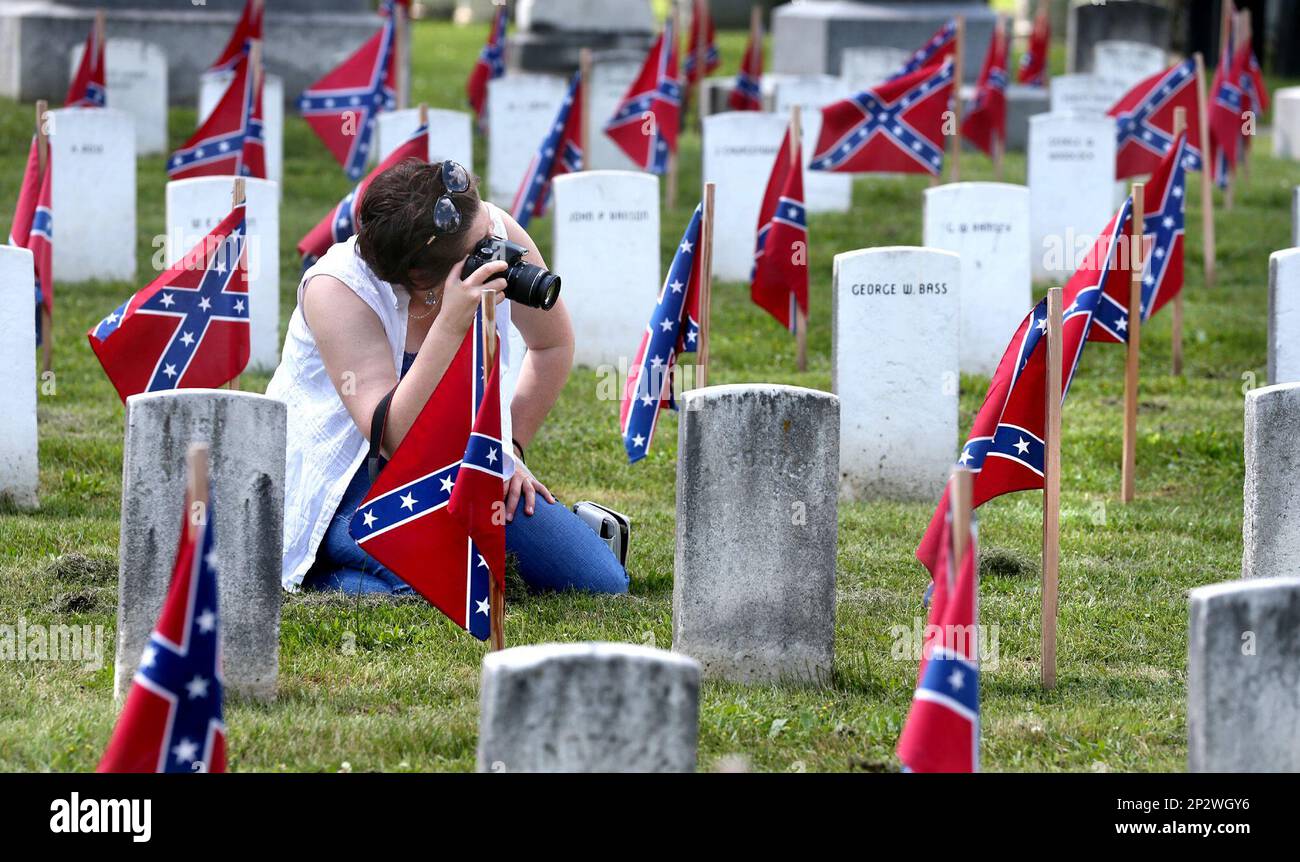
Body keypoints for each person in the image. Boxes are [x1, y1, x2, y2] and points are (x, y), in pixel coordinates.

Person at [266, 158, 629, 597]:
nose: (499, 248)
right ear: (420, 275)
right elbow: (390, 437)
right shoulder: (337, 289)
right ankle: (324, 564)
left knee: (600, 582)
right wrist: (452, 321)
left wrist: (508, 452)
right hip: (352, 472)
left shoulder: (490, 228)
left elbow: (551, 345)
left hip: (459, 460)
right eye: (482, 250)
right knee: (437, 588)